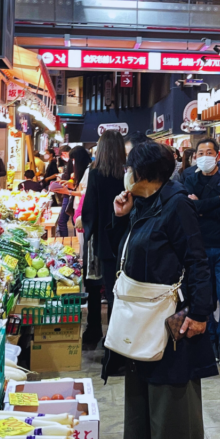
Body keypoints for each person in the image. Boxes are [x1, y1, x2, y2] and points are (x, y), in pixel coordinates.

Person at [105, 141, 216, 439]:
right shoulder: (143, 202)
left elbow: (197, 261)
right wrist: (122, 216)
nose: (126, 173)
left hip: (171, 319)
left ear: (145, 173)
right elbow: (128, 252)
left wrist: (198, 313)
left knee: (172, 398)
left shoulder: (176, 205)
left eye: (130, 168)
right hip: (141, 318)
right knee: (146, 392)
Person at [182, 137, 220, 367]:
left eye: (210, 151)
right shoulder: (189, 177)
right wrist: (219, 200)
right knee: (205, 298)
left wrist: (203, 207)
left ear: (217, 155)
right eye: (201, 152)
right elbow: (188, 208)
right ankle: (210, 339)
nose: (205, 155)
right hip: (199, 247)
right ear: (195, 156)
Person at [81, 131, 129, 348]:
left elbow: (89, 207)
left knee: (93, 285)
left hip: (100, 239)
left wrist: (89, 232)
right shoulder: (127, 173)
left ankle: (93, 332)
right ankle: (114, 341)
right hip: (123, 240)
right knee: (116, 291)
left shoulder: (95, 173)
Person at [55, 146, 90, 237]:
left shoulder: (88, 171)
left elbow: (85, 193)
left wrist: (68, 192)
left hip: (82, 207)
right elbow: (81, 188)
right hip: (77, 206)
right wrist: (71, 185)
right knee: (77, 231)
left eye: (73, 159)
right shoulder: (82, 170)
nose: (72, 162)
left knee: (80, 234)